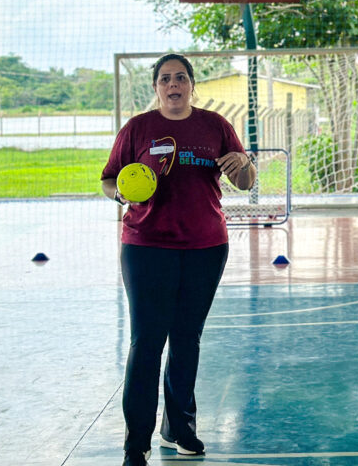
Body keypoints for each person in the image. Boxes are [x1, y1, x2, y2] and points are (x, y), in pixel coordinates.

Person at [101, 52, 256, 466]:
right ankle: (137, 443)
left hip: (206, 246)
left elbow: (244, 179)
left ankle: (180, 428)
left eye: (181, 78)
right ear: (156, 87)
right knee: (146, 343)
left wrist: (245, 164)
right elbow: (108, 179)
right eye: (166, 78)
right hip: (146, 245)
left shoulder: (215, 125)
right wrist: (122, 192)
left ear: (191, 85)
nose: (174, 85)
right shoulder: (137, 129)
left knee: (187, 340)